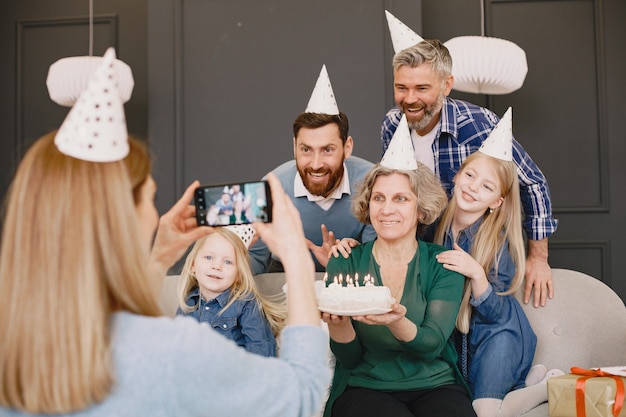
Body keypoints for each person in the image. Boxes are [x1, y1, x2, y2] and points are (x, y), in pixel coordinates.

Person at [0, 48, 330, 416]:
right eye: (151, 198)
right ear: (124, 217)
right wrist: (298, 263)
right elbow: (301, 396)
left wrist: (157, 258)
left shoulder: (16, 343)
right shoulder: (173, 352)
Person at [380, 22, 558, 307]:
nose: (410, 99)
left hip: (481, 249)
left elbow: (532, 183)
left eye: (422, 88)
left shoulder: (477, 124)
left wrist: (538, 257)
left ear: (446, 85)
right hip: (424, 251)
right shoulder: (392, 124)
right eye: (401, 87)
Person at [322, 116, 476, 417]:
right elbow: (350, 359)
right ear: (368, 205)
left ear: (420, 208)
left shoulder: (442, 264)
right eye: (378, 198)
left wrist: (394, 319)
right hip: (365, 388)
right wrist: (337, 325)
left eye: (401, 198)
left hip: (436, 386)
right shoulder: (345, 260)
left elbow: (431, 344)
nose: (387, 209)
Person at [432, 109, 562, 417]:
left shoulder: (499, 242)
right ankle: (527, 384)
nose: (473, 187)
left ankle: (548, 386)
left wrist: (477, 274)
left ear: (497, 202)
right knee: (463, 402)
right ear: (457, 175)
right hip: (459, 341)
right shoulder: (435, 227)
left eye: (487, 187)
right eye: (470, 175)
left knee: (485, 411)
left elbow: (497, 313)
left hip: (498, 336)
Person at [249, 65, 376, 274]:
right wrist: (224, 258)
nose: (316, 164)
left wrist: (349, 261)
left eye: (327, 150)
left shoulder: (372, 183)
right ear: (294, 147)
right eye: (306, 150)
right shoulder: (271, 187)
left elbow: (377, 257)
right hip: (284, 276)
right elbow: (256, 259)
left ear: (347, 147)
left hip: (351, 276)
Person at [177, 227, 286, 357]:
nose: (216, 266)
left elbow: (261, 349)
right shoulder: (188, 304)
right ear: (192, 265)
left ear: (238, 273)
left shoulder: (246, 304)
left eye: (227, 262)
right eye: (208, 257)